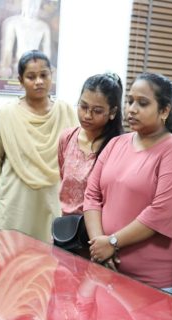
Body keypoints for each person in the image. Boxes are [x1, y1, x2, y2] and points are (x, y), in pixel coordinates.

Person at [83, 73, 172, 292]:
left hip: (152, 280)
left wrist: (113, 242)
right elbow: (92, 195)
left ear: (164, 111)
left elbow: (160, 212)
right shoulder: (116, 143)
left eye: (142, 103)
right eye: (130, 101)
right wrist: (100, 244)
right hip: (106, 269)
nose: (132, 109)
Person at [0, 50, 77, 242]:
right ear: (20, 80)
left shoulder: (66, 112)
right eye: (31, 77)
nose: (39, 81)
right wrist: (10, 186)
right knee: (10, 256)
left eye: (44, 75)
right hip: (15, 203)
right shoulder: (6, 114)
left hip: (52, 201)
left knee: (49, 257)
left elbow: (76, 158)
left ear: (52, 75)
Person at [58, 73, 124, 216]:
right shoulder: (67, 138)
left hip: (100, 225)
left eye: (97, 111)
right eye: (83, 106)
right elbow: (64, 179)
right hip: (67, 225)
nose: (87, 115)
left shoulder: (119, 146)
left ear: (112, 112)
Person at [0, 0, 51, 79]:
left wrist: (45, 69)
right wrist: (5, 67)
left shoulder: (44, 26)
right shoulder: (12, 22)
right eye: (29, 4)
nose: (32, 8)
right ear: (23, 4)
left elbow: (47, 53)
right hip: (18, 66)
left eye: (36, 5)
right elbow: (7, 50)